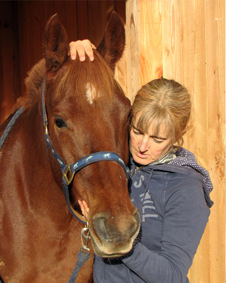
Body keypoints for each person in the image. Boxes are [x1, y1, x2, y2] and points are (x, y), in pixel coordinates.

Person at [69, 41, 213, 283]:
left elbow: (172, 275)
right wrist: (85, 53)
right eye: (137, 131)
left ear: (178, 135)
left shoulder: (186, 187)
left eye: (157, 139)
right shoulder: (121, 162)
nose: (142, 146)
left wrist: (121, 241)